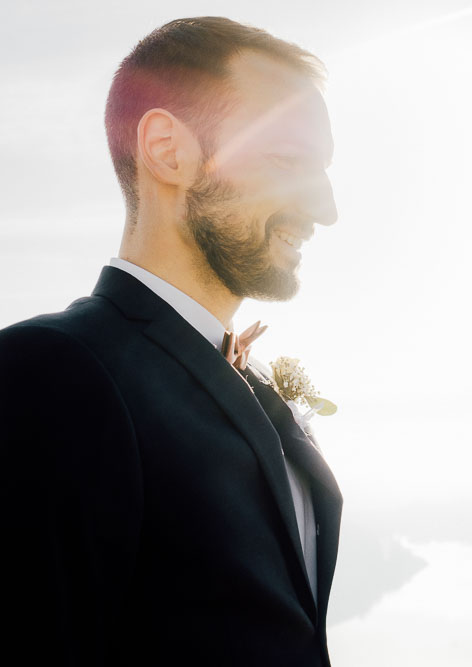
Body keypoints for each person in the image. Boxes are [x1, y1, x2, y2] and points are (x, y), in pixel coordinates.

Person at [0, 17, 341, 665]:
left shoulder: (254, 388)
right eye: (287, 161)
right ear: (166, 149)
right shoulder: (49, 374)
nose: (326, 208)